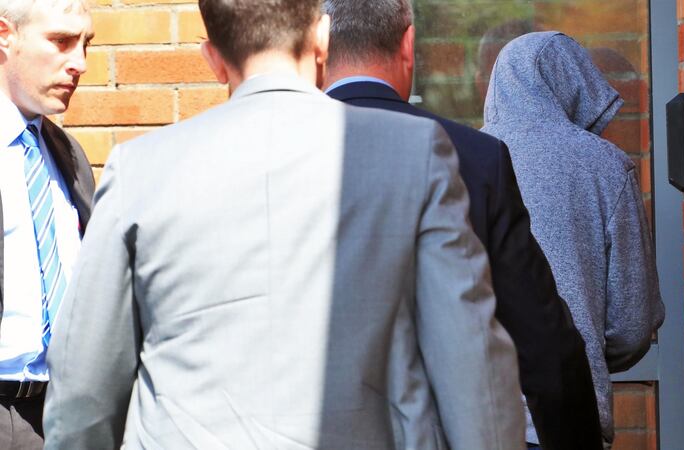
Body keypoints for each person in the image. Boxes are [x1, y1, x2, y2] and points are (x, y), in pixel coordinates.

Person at [43, 0, 526, 448]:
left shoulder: (139, 169)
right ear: (322, 38)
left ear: (213, 59)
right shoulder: (413, 152)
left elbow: (84, 390)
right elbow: (473, 366)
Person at [323, 2, 603, 449]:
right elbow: (545, 345)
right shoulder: (475, 156)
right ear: (409, 45)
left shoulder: (265, 157)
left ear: (318, 47)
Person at [482, 32, 666, 447]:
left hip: (471, 417)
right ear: (571, 84)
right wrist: (586, 352)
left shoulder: (458, 158)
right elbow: (632, 325)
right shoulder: (605, 166)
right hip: (570, 415)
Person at [0, 0, 94, 447]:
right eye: (61, 41)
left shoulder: (67, 154)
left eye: (86, 43)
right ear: (5, 35)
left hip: (62, 412)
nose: (80, 63)